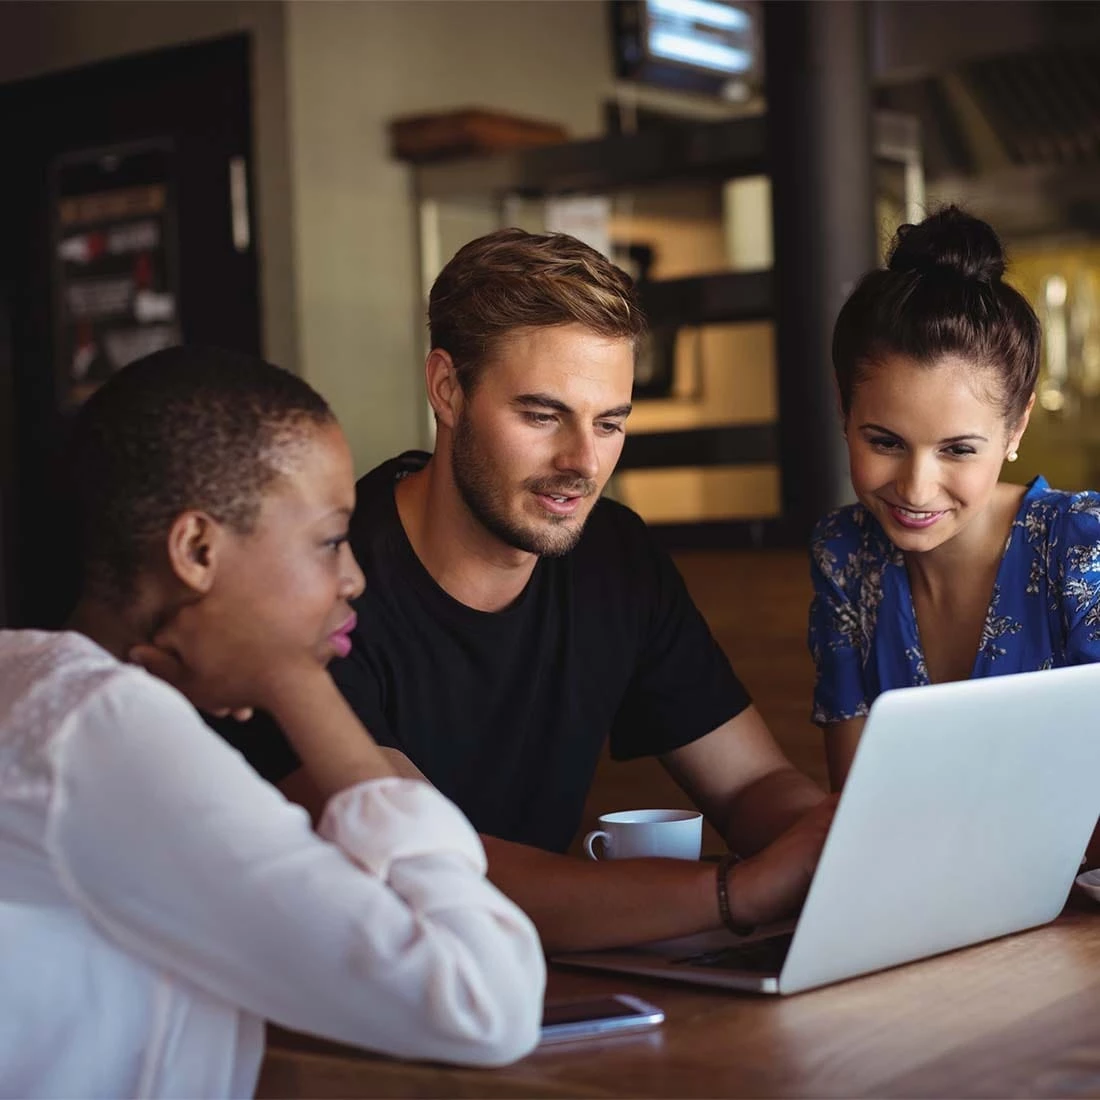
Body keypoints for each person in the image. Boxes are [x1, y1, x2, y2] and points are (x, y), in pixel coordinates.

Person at [221, 228, 833, 953]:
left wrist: (833, 845)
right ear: (448, 390)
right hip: (337, 1004)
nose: (581, 463)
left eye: (609, 423)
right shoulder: (324, 585)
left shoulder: (616, 558)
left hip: (523, 990)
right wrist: (737, 892)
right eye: (542, 416)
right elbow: (436, 876)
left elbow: (750, 783)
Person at [0, 347, 545, 1099]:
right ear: (197, 550)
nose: (352, 577)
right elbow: (484, 1003)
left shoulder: (25, 682)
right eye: (328, 540)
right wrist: (298, 683)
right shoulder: (106, 732)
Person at [809, 207, 1100, 813]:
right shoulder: (845, 555)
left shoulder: (1082, 550)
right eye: (884, 442)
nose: (916, 489)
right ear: (843, 409)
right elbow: (862, 811)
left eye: (958, 450)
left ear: (1016, 428)